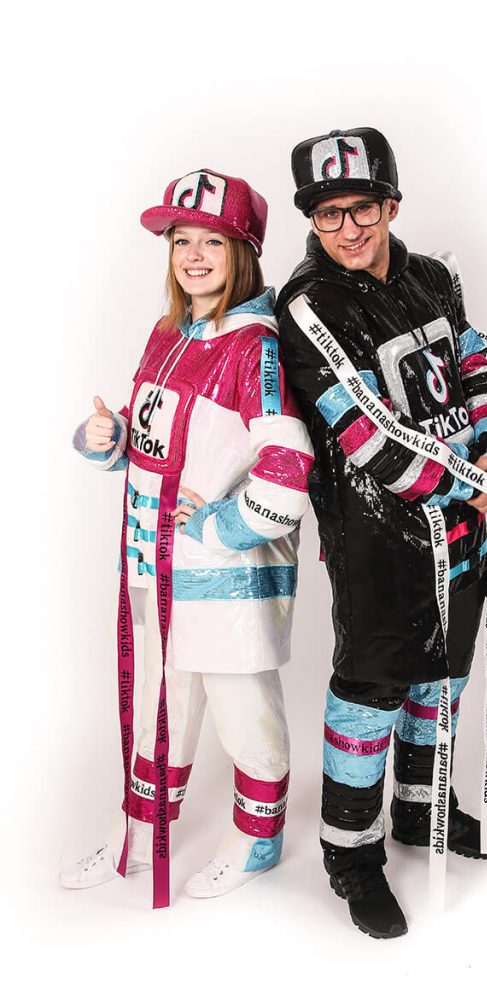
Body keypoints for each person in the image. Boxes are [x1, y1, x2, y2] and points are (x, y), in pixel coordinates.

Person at [276, 128, 487, 938]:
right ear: (311, 221)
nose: (347, 228)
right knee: (370, 696)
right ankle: (352, 857)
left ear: (390, 204)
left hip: (464, 531)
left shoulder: (433, 277)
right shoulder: (308, 305)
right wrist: (473, 485)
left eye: (360, 208)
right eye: (327, 214)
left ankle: (423, 812)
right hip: (378, 543)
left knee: (442, 680)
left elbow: (475, 367)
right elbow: (368, 437)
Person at [60, 169, 313, 907]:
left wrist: (218, 524)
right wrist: (107, 437)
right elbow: (159, 443)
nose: (193, 256)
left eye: (212, 241)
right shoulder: (167, 333)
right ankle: (140, 831)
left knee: (243, 713)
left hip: (227, 580)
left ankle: (256, 839)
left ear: (244, 252)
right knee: (157, 708)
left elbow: (288, 465)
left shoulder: (255, 346)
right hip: (154, 567)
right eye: (181, 241)